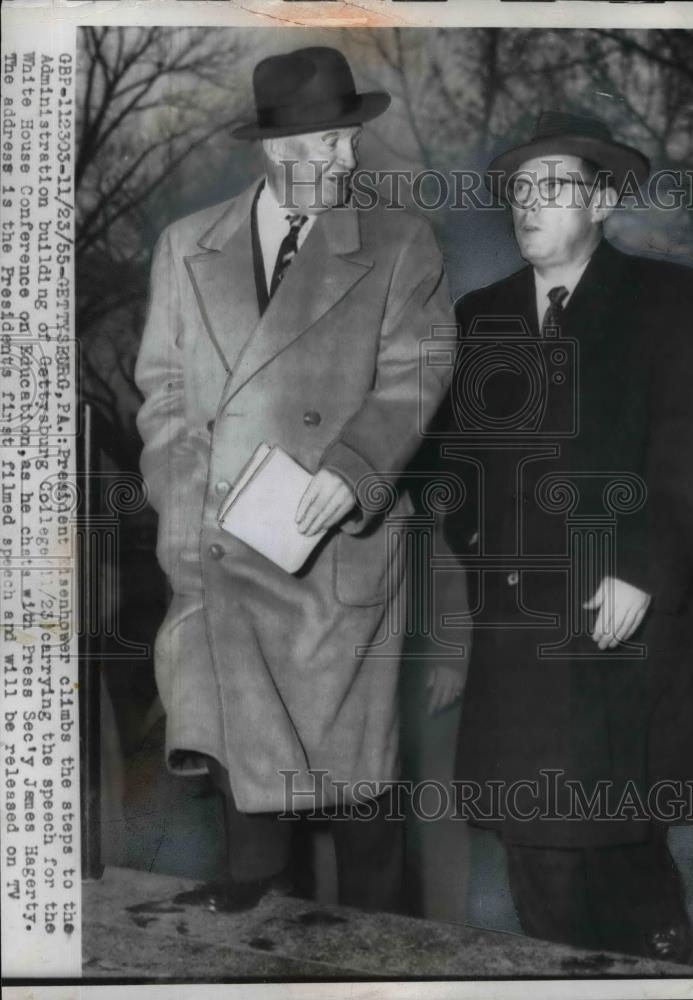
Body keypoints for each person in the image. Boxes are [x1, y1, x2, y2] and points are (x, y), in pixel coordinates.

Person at [135, 45, 454, 913]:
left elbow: (418, 370)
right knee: (248, 792)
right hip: (221, 542)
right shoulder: (183, 247)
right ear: (279, 150)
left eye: (348, 141)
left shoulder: (398, 244)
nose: (346, 159)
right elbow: (162, 392)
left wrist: (353, 472)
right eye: (326, 145)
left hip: (336, 549)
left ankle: (385, 955)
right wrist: (179, 501)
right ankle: (252, 937)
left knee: (358, 794)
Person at [446, 110, 693, 962]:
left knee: (620, 850)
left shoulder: (669, 299)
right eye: (519, 189)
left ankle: (660, 968)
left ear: (600, 199)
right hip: (521, 639)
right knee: (536, 856)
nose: (528, 205)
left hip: (626, 621)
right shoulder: (481, 313)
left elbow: (683, 452)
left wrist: (637, 569)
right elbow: (456, 466)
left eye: (553, 185)